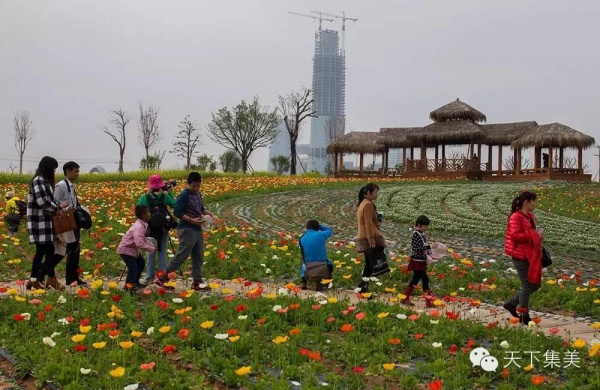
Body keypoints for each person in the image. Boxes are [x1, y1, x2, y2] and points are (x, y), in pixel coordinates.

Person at [156, 172, 214, 291]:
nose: (196, 188)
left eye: (198, 186)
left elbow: (200, 208)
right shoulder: (184, 195)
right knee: (182, 254)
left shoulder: (198, 194)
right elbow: (177, 212)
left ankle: (197, 282)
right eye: (193, 186)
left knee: (199, 256)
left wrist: (206, 213)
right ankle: (163, 277)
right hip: (187, 228)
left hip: (198, 228)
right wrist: (192, 220)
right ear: (188, 184)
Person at [27, 156, 68, 290]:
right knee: (42, 252)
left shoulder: (44, 181)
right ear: (48, 168)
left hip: (45, 222)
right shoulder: (38, 181)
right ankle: (38, 279)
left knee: (48, 251)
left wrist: (60, 205)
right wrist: (57, 208)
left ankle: (44, 279)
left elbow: (50, 200)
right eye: (53, 169)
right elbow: (42, 202)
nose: (54, 172)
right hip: (39, 223)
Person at [503, 191, 542, 325]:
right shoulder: (516, 217)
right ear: (527, 202)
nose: (535, 204)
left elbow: (529, 234)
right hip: (519, 254)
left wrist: (537, 235)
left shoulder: (528, 217)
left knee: (536, 284)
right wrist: (533, 235)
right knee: (527, 283)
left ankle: (512, 303)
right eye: (533, 201)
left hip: (529, 254)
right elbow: (515, 236)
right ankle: (524, 314)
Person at [51, 161, 86, 286]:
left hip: (73, 220)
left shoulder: (71, 186)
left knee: (74, 250)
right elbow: (53, 201)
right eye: (76, 171)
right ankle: (44, 270)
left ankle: (72, 278)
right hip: (65, 221)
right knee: (67, 249)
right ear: (68, 171)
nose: (78, 173)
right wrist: (64, 207)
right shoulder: (61, 185)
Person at [137, 174, 176, 284]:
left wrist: (147, 195)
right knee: (162, 251)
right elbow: (175, 205)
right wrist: (170, 192)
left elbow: (138, 209)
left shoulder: (145, 197)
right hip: (164, 228)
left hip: (150, 228)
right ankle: (162, 276)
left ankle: (149, 277)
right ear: (161, 186)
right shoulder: (165, 197)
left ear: (150, 186)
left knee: (150, 251)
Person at [116, 205, 155, 293]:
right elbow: (139, 243)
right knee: (133, 268)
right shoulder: (139, 227)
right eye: (148, 212)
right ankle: (128, 287)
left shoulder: (142, 224)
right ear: (144, 215)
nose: (150, 214)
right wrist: (151, 248)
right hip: (126, 250)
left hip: (132, 250)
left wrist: (151, 246)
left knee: (141, 263)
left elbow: (143, 239)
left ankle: (135, 282)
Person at [355, 183, 385, 293]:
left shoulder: (363, 203)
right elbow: (368, 223)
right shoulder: (368, 204)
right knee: (370, 264)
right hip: (368, 239)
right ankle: (363, 287)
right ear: (369, 193)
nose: (377, 195)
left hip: (364, 237)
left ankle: (363, 286)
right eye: (376, 192)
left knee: (369, 264)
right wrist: (371, 240)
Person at [402, 215, 434, 307]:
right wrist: (428, 247)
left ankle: (406, 297)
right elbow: (416, 248)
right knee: (423, 279)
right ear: (419, 225)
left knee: (417, 280)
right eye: (425, 226)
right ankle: (428, 301)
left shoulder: (422, 234)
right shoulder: (415, 235)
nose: (427, 228)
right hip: (417, 261)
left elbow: (424, 247)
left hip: (421, 261)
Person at [299, 219, 334, 291]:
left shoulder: (302, 239)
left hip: (309, 266)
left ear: (306, 228)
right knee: (330, 263)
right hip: (323, 266)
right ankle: (324, 282)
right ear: (318, 228)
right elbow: (330, 230)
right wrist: (320, 226)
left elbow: (303, 254)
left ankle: (303, 282)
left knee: (303, 262)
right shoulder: (321, 235)